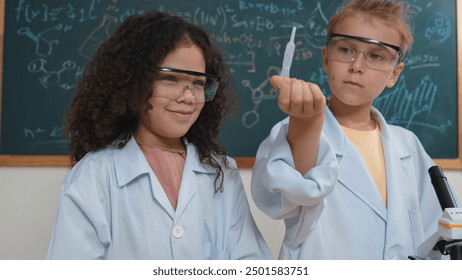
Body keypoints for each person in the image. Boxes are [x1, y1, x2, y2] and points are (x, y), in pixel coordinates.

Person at [47, 11, 271, 260]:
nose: (187, 96)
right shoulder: (94, 176)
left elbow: (251, 263)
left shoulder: (222, 172)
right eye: (170, 79)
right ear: (133, 82)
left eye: (198, 83)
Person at [251, 0, 451, 259]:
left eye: (376, 55)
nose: (357, 65)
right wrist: (305, 125)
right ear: (326, 58)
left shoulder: (408, 146)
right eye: (346, 50)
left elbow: (440, 232)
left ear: (394, 74)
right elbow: (275, 200)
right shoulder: (296, 130)